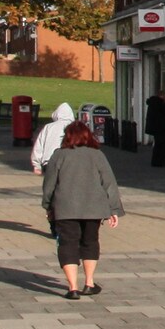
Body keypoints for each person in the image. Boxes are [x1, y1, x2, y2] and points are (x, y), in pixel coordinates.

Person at [40, 121, 122, 300]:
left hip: (65, 208)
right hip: (94, 207)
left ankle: (73, 287)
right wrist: (114, 209)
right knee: (90, 242)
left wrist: (48, 205)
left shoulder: (59, 155)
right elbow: (109, 183)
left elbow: (49, 184)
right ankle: (89, 283)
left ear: (67, 136)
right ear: (88, 136)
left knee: (67, 243)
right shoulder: (97, 155)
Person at [30, 103, 75, 174]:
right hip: (70, 164)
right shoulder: (76, 128)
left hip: (49, 163)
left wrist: (36, 165)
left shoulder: (49, 127)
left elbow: (39, 146)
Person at [144, 92, 165, 167]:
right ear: (161, 96)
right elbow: (163, 110)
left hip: (156, 128)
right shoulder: (157, 102)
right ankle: (160, 162)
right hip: (160, 128)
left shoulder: (153, 103)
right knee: (163, 145)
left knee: (158, 145)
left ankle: (156, 161)